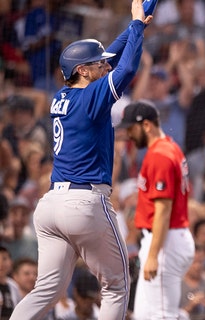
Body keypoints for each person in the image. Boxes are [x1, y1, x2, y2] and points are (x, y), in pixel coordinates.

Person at [9, 1, 154, 318]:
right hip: (84, 202)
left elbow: (113, 56)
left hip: (51, 206)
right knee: (116, 286)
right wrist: (138, 27)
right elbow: (127, 67)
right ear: (82, 70)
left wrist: (136, 21)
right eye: (99, 64)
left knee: (46, 290)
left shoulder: (63, 95)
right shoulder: (92, 96)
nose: (107, 67)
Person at [118, 101, 195, 319]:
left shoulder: (160, 155)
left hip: (165, 241)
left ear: (147, 126)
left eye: (132, 128)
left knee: (162, 315)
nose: (129, 135)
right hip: (165, 239)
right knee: (144, 315)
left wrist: (153, 256)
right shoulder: (169, 147)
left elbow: (163, 210)